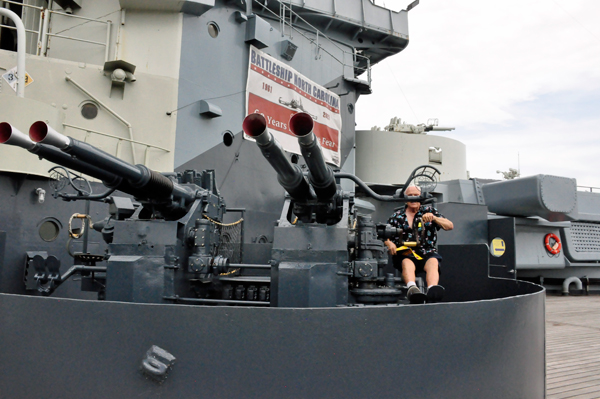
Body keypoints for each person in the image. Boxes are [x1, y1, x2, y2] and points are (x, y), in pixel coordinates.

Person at [384, 185, 453, 303]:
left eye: (416, 195)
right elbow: (384, 235)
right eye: (410, 195)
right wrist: (389, 243)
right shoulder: (397, 216)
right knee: (407, 262)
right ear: (405, 198)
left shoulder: (429, 211)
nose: (413, 198)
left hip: (427, 251)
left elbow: (449, 226)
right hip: (405, 251)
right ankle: (412, 289)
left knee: (433, 261)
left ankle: (432, 290)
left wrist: (434, 218)